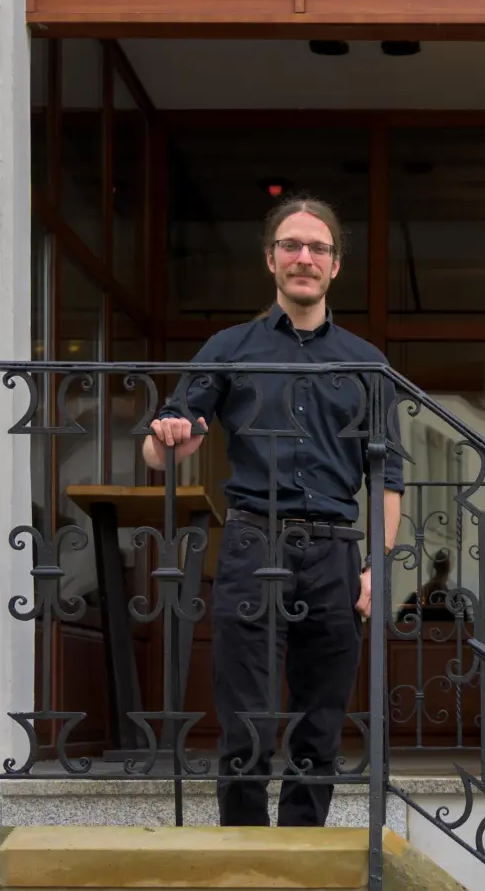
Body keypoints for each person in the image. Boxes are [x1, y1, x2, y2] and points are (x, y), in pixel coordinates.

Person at [143, 194, 404, 827]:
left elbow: (387, 474)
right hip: (252, 543)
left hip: (336, 552)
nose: (304, 258)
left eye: (318, 248)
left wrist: (380, 567)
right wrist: (168, 437)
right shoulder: (230, 347)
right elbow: (163, 452)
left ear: (335, 265)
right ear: (272, 259)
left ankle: (303, 854)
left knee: (321, 726)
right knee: (246, 724)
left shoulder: (367, 362)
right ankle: (242, 856)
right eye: (292, 246)